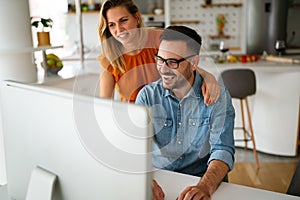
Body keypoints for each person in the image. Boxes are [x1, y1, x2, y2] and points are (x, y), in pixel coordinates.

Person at [135, 25, 235, 200]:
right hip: (160, 180)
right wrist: (144, 178)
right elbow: (136, 148)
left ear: (194, 62)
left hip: (201, 179)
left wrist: (205, 187)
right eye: (160, 59)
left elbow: (222, 149)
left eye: (172, 62)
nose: (164, 69)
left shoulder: (217, 96)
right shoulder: (147, 97)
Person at [98, 0, 220, 104]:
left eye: (123, 20)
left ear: (137, 17)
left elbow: (185, 64)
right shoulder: (110, 58)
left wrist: (208, 77)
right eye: (112, 25)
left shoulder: (160, 39)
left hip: (167, 117)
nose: (119, 29)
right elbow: (104, 106)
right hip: (133, 121)